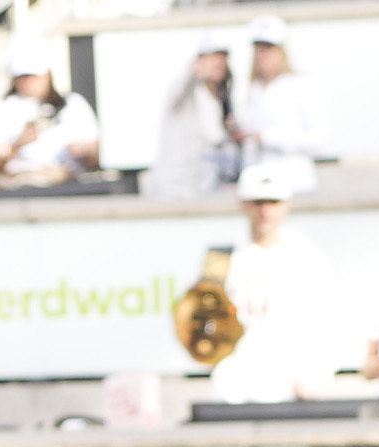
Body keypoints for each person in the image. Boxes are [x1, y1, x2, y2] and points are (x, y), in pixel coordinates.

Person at [203, 162, 352, 407]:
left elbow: (331, 321)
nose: (266, 211)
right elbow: (202, 323)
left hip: (289, 390)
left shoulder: (305, 256)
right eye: (258, 202)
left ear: (286, 205)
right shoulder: (220, 259)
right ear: (243, 204)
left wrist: (316, 376)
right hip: (232, 389)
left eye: (273, 202)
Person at [0, 62, 103, 195]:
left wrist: (81, 150)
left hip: (65, 183)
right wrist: (17, 145)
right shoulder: (3, 108)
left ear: (47, 76)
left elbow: (96, 155)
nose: (28, 82)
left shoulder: (73, 103)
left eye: (34, 76)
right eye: (23, 77)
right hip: (19, 186)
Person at [230, 18, 326, 166]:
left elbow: (319, 140)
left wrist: (266, 137)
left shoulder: (301, 85)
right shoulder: (255, 88)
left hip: (292, 180)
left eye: (268, 48)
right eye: (258, 48)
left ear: (282, 51)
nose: (261, 55)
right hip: (256, 178)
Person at [149, 44, 241, 198]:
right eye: (212, 58)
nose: (218, 63)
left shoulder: (224, 100)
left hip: (207, 186)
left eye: (222, 59)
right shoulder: (186, 94)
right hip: (174, 188)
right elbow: (179, 89)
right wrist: (193, 72)